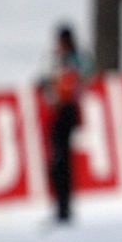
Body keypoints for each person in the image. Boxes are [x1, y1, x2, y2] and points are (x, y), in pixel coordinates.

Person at [37, 24, 94, 225]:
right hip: (58, 113)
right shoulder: (58, 60)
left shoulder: (74, 60)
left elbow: (75, 82)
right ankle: (61, 207)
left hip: (66, 112)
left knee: (61, 161)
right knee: (57, 163)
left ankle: (64, 209)